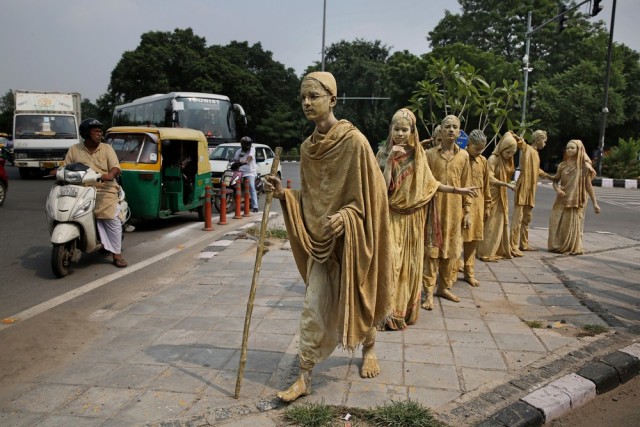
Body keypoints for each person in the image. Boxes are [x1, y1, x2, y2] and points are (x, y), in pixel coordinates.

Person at [264, 71, 393, 402]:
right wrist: (283, 195)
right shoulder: (307, 149)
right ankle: (305, 375)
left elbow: (374, 197)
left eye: (314, 96)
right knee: (314, 306)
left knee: (361, 295)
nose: (307, 102)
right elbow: (310, 197)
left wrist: (349, 216)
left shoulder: (355, 142)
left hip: (352, 237)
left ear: (332, 100)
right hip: (321, 240)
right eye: (303, 97)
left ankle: (370, 348)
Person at [376, 109, 476, 329]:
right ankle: (384, 310)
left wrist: (457, 191)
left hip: (413, 221)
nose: (400, 134)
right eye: (396, 129)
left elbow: (431, 184)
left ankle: (400, 311)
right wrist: (391, 160)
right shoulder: (382, 155)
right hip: (391, 218)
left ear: (412, 131)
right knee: (390, 263)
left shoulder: (419, 156)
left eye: (405, 129)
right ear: (390, 129)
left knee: (408, 267)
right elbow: (381, 190)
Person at [422, 115, 473, 310]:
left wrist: (467, 211)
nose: (451, 130)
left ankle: (443, 287)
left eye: (455, 127)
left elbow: (466, 184)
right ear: (441, 131)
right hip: (434, 209)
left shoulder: (464, 156)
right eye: (447, 127)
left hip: (454, 211)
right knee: (432, 251)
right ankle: (428, 293)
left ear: (459, 132)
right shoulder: (430, 155)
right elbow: (424, 181)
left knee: (450, 251)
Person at [62, 118, 127, 267]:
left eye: (100, 131)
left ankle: (117, 255)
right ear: (86, 133)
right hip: (80, 188)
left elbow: (116, 167)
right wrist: (57, 171)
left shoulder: (107, 148)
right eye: (96, 131)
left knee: (110, 218)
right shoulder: (74, 149)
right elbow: (65, 167)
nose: (100, 134)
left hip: (104, 188)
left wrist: (110, 175)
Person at [547, 139, 601, 254]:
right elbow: (555, 181)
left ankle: (572, 246)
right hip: (562, 198)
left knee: (572, 224)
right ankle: (557, 244)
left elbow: (588, 185)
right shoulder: (562, 165)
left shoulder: (584, 167)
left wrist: (595, 203)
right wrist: (558, 190)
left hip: (576, 199)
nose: (569, 150)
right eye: (567, 148)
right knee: (555, 220)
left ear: (579, 150)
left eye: (572, 148)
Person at [477, 131, 520, 262]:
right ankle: (485, 251)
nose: (509, 156)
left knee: (500, 222)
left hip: (502, 194)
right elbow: (489, 177)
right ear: (502, 148)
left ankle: (498, 248)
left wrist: (508, 183)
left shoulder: (507, 161)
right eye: (508, 152)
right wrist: (505, 184)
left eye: (512, 153)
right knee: (490, 223)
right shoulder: (493, 159)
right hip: (492, 194)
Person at [461, 129, 491, 287]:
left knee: (473, 241)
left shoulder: (483, 161)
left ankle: (469, 272)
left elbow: (486, 184)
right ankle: (451, 272)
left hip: (478, 205)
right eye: (476, 148)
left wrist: (487, 204)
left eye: (482, 149)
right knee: (458, 240)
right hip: (460, 204)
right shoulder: (461, 157)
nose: (479, 151)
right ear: (468, 144)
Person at [510, 130, 548, 252]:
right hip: (523, 189)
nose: (545, 144)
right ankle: (513, 245)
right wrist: (515, 136)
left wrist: (551, 176)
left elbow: (537, 170)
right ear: (538, 139)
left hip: (530, 191)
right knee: (518, 218)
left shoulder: (536, 154)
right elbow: (521, 143)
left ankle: (524, 244)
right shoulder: (528, 149)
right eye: (544, 141)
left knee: (526, 219)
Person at [233, 136, 259, 212]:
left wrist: (246, 161)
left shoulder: (252, 150)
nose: (246, 145)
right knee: (234, 185)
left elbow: (250, 157)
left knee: (251, 187)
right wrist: (234, 164)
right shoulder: (238, 151)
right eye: (244, 143)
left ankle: (255, 207)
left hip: (250, 172)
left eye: (247, 144)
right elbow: (235, 160)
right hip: (240, 172)